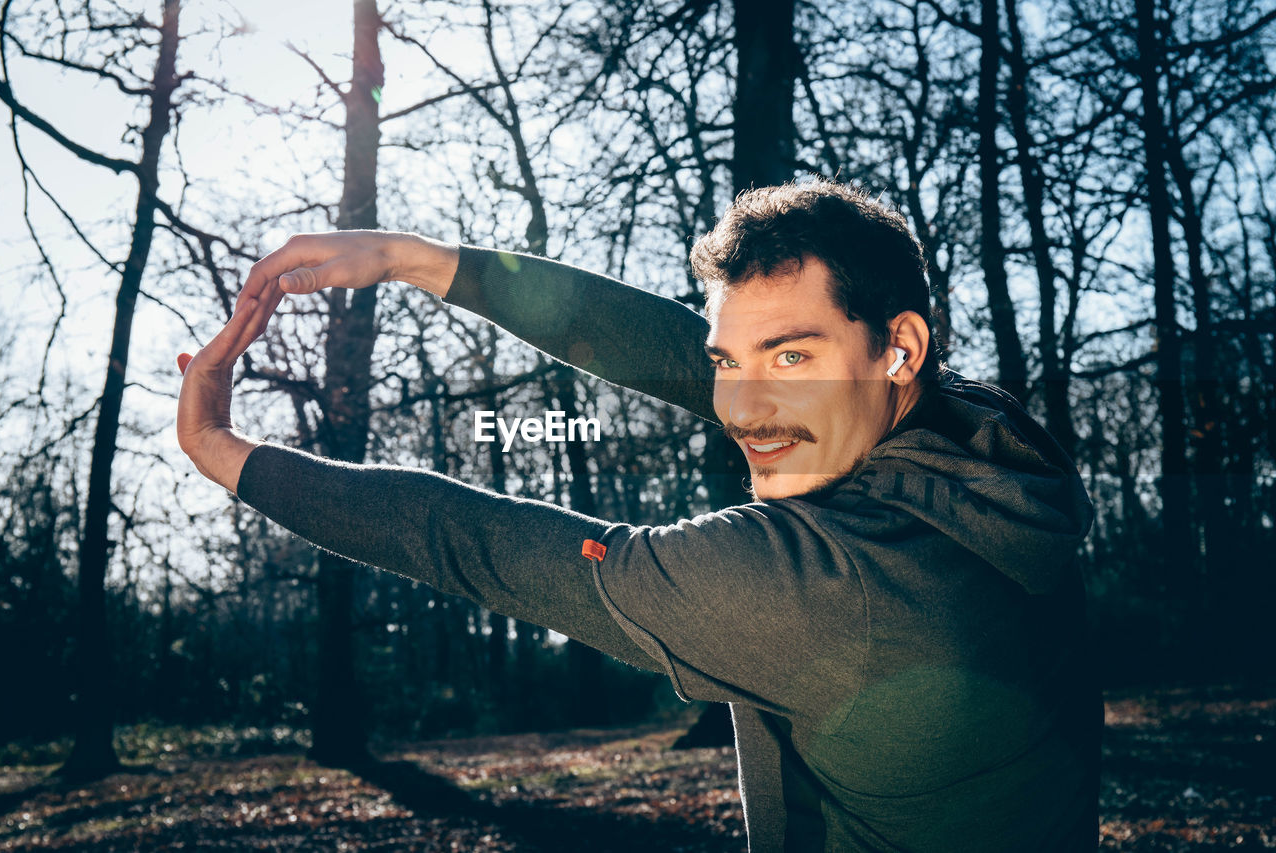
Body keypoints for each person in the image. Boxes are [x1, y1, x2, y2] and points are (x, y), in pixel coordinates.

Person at [177, 179, 1098, 852]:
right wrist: (418, 260)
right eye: (732, 361)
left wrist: (223, 449)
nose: (739, 408)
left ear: (898, 346)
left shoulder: (808, 584)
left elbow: (473, 543)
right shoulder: (990, 447)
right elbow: (667, 349)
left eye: (788, 357)